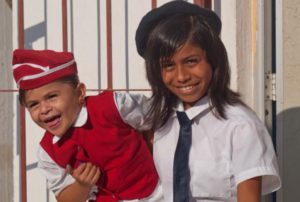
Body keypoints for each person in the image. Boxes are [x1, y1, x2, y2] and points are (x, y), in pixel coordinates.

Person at [134, 1, 281, 201]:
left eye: (191, 61)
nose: (181, 76)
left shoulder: (240, 126)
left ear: (213, 59)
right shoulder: (162, 122)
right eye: (168, 65)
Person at [12, 49, 163, 202]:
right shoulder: (47, 153)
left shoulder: (113, 106)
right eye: (33, 104)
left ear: (80, 92)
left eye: (52, 97)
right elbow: (64, 198)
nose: (44, 109)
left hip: (157, 195)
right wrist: (82, 186)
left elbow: (158, 116)